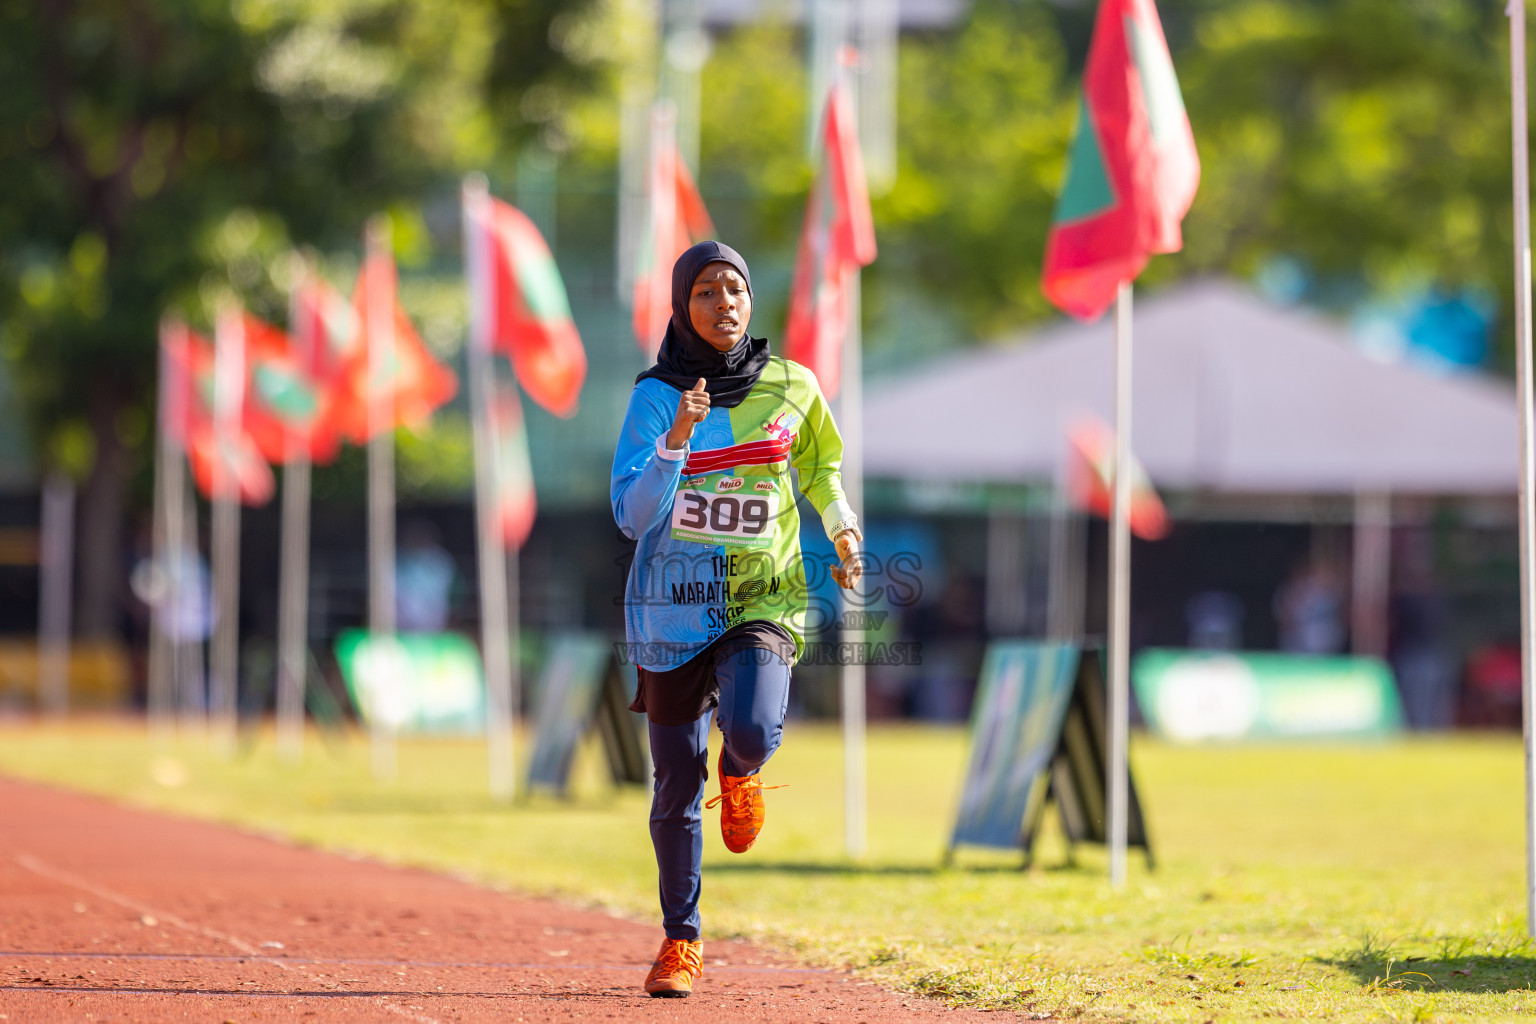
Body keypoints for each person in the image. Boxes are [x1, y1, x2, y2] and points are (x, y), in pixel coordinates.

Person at [611, 241, 862, 998]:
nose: (724, 304)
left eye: (736, 290)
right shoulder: (657, 394)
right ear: (682, 308)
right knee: (674, 786)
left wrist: (843, 528)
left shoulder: (793, 385)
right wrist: (677, 442)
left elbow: (821, 469)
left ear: (751, 302)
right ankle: (680, 941)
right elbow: (631, 513)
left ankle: (743, 768)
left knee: (750, 729)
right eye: (706, 293)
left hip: (765, 594)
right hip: (673, 603)